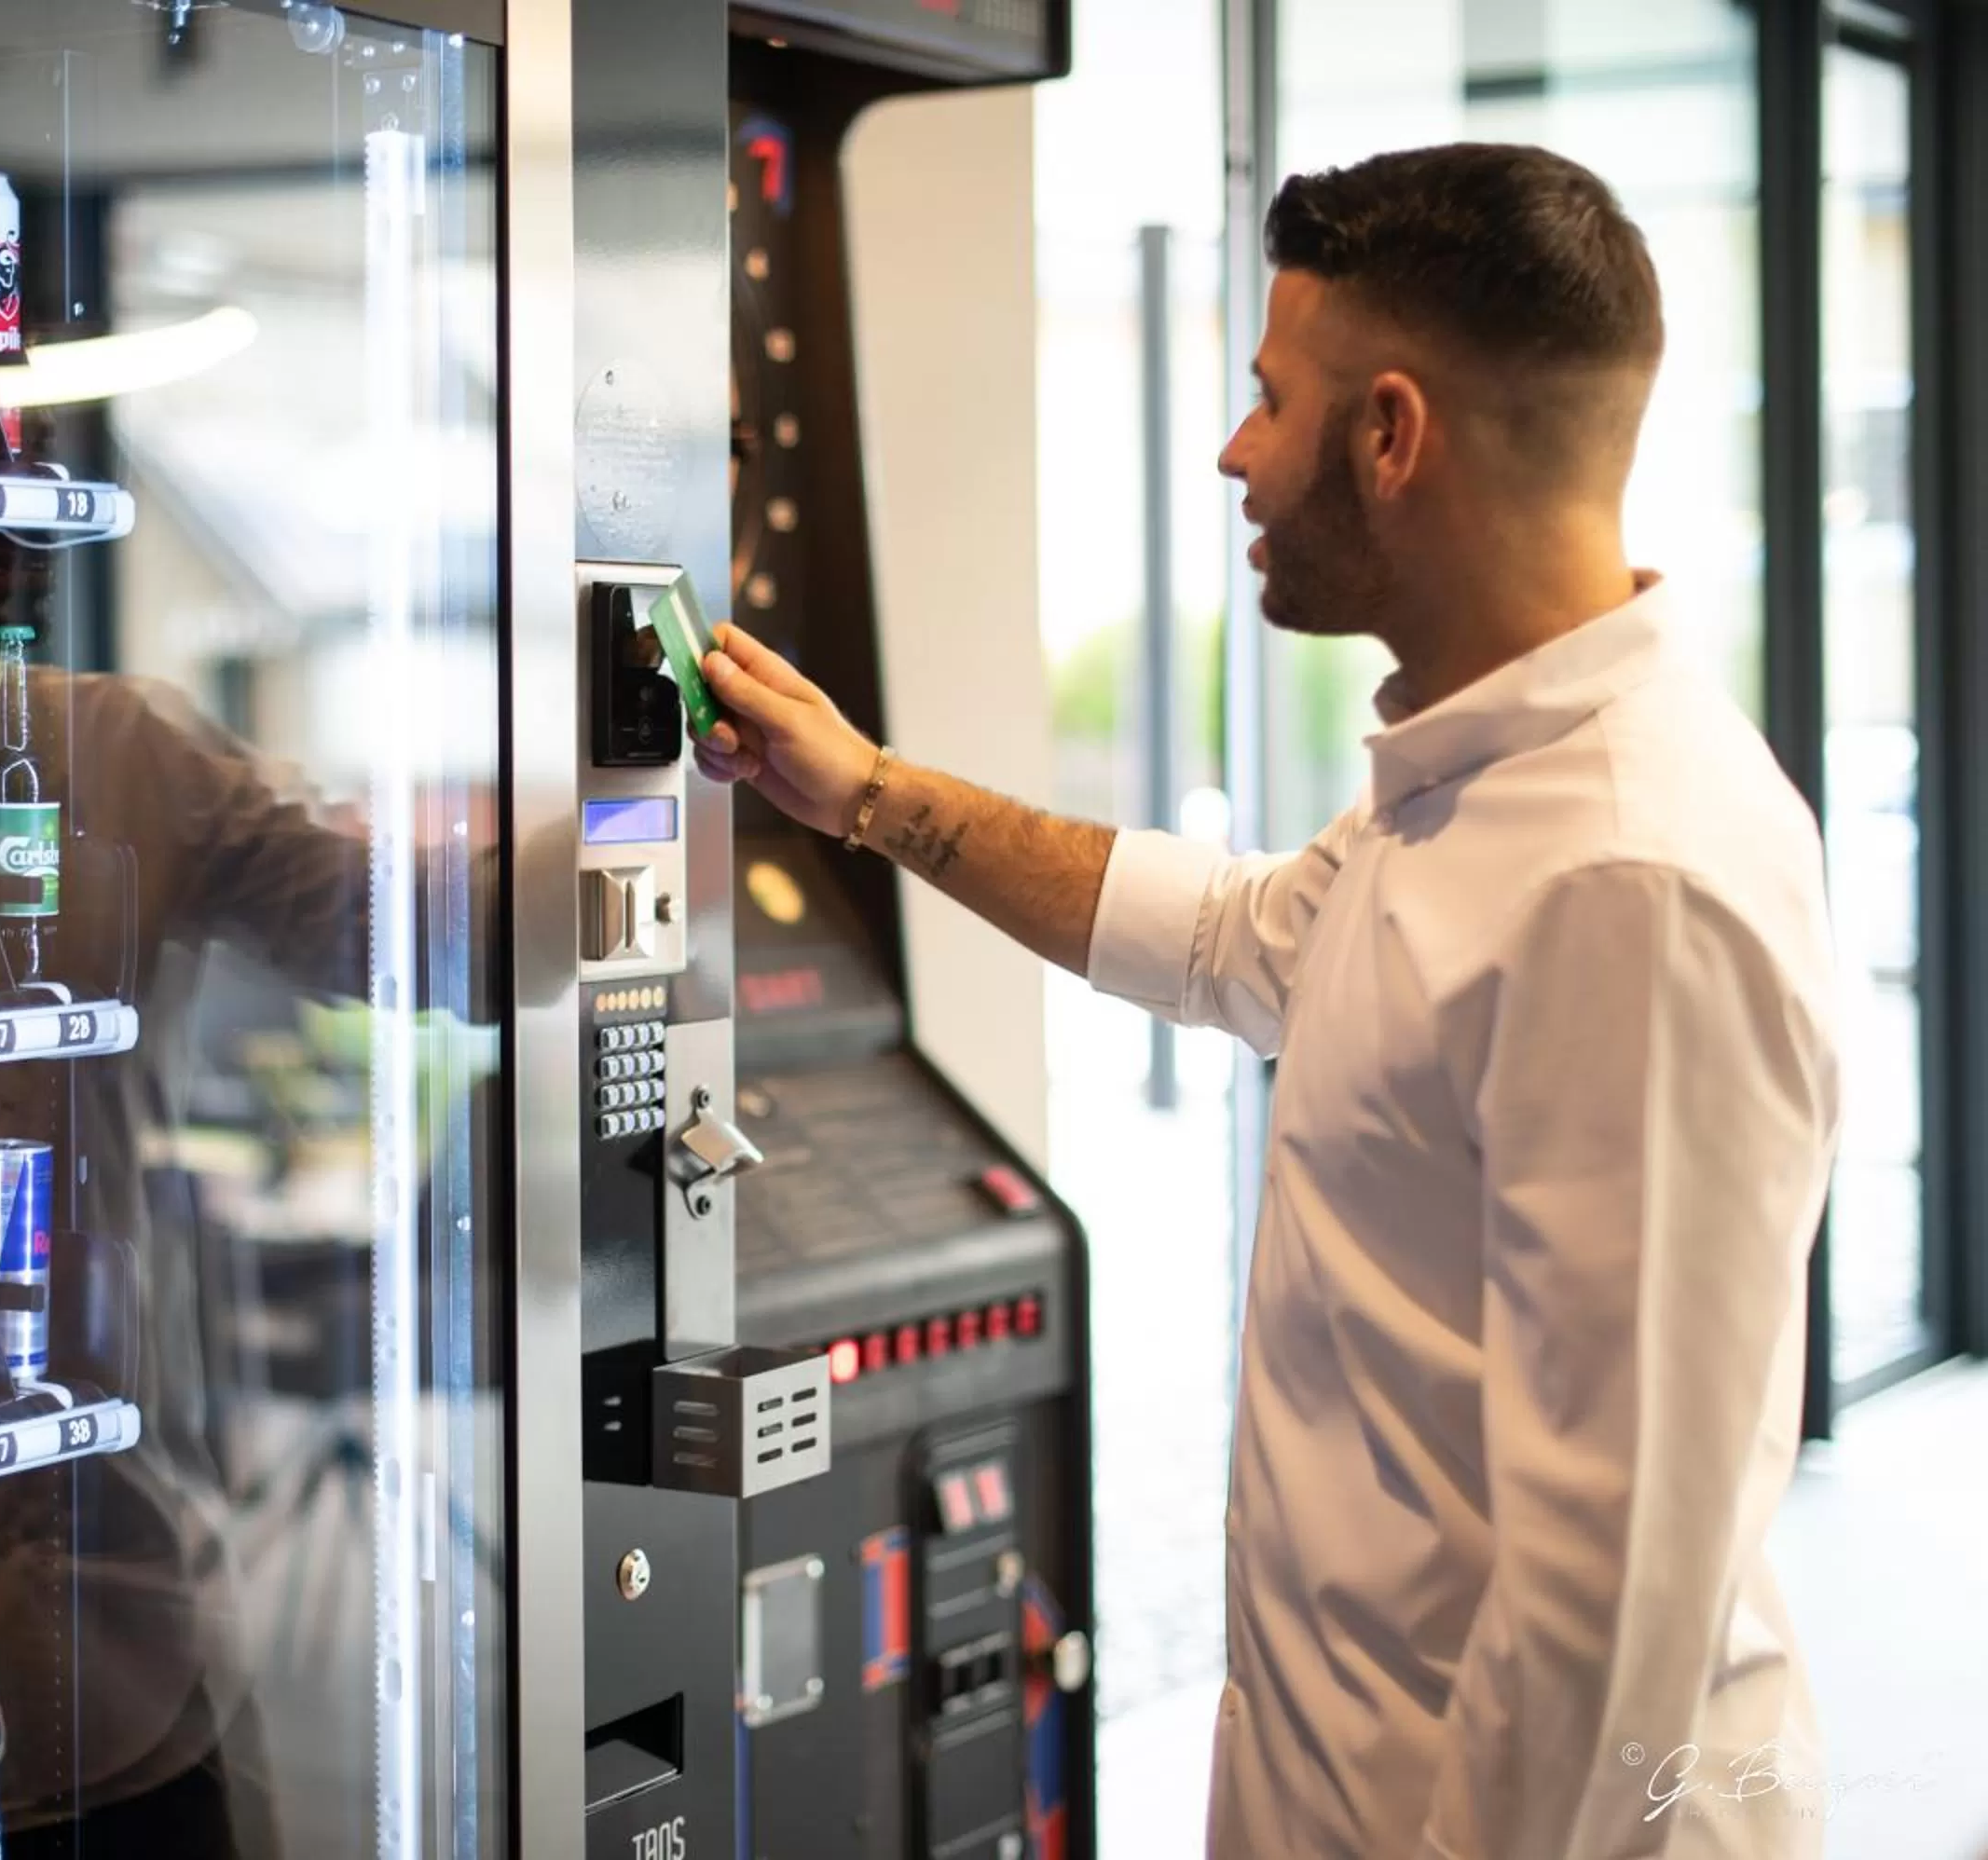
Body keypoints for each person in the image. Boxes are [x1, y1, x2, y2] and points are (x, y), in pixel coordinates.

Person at [694, 143, 1838, 1860]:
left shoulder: (1631, 878)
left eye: (1269, 400)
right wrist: (866, 792)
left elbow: (1610, 1620)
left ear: (1390, 435)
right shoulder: (1463, 771)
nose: (1235, 452)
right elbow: (1234, 939)